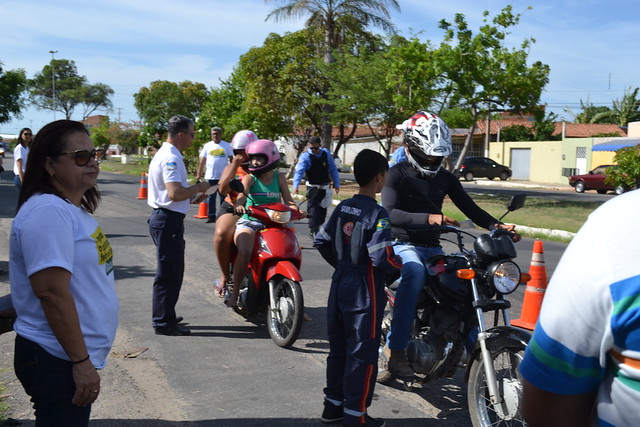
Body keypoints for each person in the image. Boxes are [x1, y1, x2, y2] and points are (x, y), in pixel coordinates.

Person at [381, 111, 519, 378]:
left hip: (432, 247)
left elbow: (471, 208)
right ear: (410, 146)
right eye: (427, 154)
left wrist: (496, 227)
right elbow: (388, 213)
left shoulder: (446, 178)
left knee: (469, 283)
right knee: (415, 273)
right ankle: (395, 350)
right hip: (401, 243)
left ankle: (458, 343)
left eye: (437, 155)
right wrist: (429, 217)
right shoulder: (396, 173)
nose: (432, 159)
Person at [9, 120, 118, 425]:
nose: (92, 162)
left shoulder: (67, 209)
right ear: (49, 165)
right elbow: (51, 293)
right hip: (55, 357)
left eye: (94, 154)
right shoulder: (48, 211)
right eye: (80, 157)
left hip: (61, 356)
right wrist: (81, 362)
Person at [519, 190, 640, 427]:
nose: (434, 160)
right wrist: (426, 220)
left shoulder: (620, 221)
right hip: (425, 242)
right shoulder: (621, 222)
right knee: (421, 272)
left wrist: (492, 223)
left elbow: (549, 408)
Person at [314, 149, 402, 427]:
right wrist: (402, 268)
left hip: (340, 283)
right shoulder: (378, 214)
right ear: (380, 177)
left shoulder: (342, 208)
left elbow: (320, 240)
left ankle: (333, 407)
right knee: (362, 354)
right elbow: (380, 258)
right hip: (365, 289)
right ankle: (356, 416)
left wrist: (341, 263)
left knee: (338, 348)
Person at [147, 115, 210, 336]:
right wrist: (197, 187)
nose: (193, 139)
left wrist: (192, 198)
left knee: (173, 271)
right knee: (168, 273)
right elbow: (174, 193)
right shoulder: (171, 158)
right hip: (167, 221)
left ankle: (167, 315)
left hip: (167, 218)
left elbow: (172, 194)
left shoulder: (166, 154)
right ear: (181, 134)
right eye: (192, 134)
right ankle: (163, 322)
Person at [227, 139, 297, 309]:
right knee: (244, 250)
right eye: (252, 159)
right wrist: (239, 205)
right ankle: (235, 293)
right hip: (250, 221)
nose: (255, 162)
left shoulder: (279, 178)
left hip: (274, 223)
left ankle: (295, 301)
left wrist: (297, 211)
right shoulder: (249, 179)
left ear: (271, 158)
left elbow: (289, 201)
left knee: (291, 250)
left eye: (259, 158)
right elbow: (241, 197)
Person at [212, 129, 258, 297]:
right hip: (233, 208)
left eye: (244, 151)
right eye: (238, 152)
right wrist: (235, 166)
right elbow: (223, 189)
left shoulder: (262, 165)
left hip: (259, 209)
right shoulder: (232, 167)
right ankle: (224, 276)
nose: (242, 155)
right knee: (222, 233)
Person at [292, 136, 340, 238]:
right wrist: (295, 186)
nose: (314, 150)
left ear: (320, 146)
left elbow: (333, 169)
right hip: (313, 188)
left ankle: (317, 229)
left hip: (325, 188)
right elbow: (299, 172)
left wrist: (336, 183)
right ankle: (314, 232)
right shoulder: (305, 156)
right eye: (312, 148)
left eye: (316, 148)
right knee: (313, 211)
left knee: (322, 213)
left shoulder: (326, 154)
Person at [195, 126, 233, 223]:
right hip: (211, 176)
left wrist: (232, 172)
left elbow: (232, 159)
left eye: (217, 134)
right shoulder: (207, 145)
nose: (215, 136)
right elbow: (203, 160)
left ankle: (222, 215)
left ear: (220, 135)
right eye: (213, 134)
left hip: (223, 176)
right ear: (211, 135)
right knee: (211, 197)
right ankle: (211, 216)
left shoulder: (226, 145)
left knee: (223, 196)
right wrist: (199, 173)